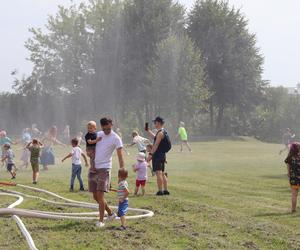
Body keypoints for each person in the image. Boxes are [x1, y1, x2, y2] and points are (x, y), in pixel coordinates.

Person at [88, 117, 124, 228]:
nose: (107, 131)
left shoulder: (116, 138)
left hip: (105, 168)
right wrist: (89, 152)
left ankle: (101, 221)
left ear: (111, 125)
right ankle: (110, 213)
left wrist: (122, 168)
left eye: (108, 128)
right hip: (94, 168)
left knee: (100, 194)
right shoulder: (98, 134)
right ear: (101, 127)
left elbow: (120, 154)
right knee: (95, 196)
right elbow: (90, 146)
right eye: (104, 129)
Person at [146, 116, 171, 196]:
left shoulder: (160, 133)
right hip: (162, 155)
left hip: (157, 155)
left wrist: (150, 155)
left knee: (158, 173)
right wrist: (148, 131)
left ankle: (160, 191)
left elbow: (155, 145)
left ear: (159, 123)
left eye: (155, 122)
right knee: (162, 173)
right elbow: (155, 138)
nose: (154, 124)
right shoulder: (163, 132)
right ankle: (165, 190)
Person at [285, 142, 300, 212]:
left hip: (293, 178)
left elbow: (288, 172)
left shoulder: (289, 157)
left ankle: (293, 209)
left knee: (294, 194)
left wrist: (289, 176)